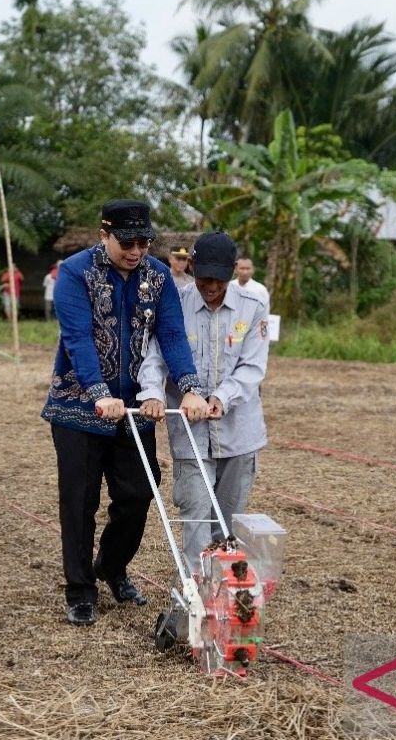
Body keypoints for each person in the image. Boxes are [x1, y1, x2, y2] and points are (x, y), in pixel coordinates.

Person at [42, 199, 210, 627]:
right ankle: (80, 589)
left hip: (133, 406)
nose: (136, 251)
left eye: (143, 241)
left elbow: (171, 333)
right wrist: (98, 392)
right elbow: (76, 338)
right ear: (105, 235)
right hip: (79, 405)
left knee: (139, 492)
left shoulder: (157, 276)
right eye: (127, 242)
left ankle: (111, 566)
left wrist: (190, 388)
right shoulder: (76, 272)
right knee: (80, 500)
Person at [139, 231, 269, 572]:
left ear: (233, 270)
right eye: (203, 277)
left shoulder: (253, 307)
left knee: (226, 521)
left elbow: (252, 367)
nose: (210, 286)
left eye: (219, 278)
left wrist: (220, 398)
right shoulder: (175, 304)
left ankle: (222, 588)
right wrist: (152, 392)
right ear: (192, 267)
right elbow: (155, 356)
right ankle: (195, 592)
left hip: (239, 432)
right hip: (190, 432)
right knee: (194, 510)